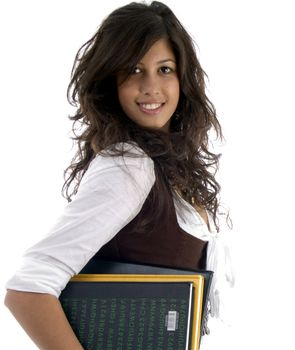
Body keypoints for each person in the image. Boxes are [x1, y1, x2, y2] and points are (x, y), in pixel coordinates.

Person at [3, 1, 234, 349]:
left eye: (165, 69)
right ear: (111, 81)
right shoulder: (128, 165)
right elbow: (29, 288)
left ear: (183, 78)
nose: (151, 87)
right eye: (133, 70)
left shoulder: (169, 167)